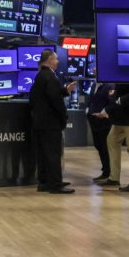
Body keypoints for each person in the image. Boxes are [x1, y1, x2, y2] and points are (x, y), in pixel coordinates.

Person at [28, 49, 77, 193]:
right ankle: (55, 184)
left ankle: (44, 182)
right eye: (55, 59)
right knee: (53, 154)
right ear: (49, 60)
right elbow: (56, 101)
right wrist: (64, 118)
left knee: (43, 154)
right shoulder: (50, 76)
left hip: (40, 123)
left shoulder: (40, 76)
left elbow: (41, 96)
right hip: (51, 124)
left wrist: (64, 90)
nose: (57, 61)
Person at [95, 83, 129, 192]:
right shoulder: (120, 74)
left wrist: (119, 100)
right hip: (120, 117)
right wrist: (110, 108)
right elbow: (116, 94)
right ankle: (114, 177)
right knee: (112, 140)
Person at [85, 81, 113, 183]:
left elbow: (111, 102)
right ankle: (105, 168)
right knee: (98, 145)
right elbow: (90, 99)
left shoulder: (109, 85)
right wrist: (87, 110)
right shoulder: (93, 84)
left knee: (104, 146)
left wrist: (103, 113)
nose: (94, 69)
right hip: (93, 120)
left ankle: (108, 171)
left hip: (104, 121)